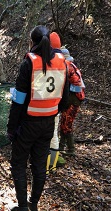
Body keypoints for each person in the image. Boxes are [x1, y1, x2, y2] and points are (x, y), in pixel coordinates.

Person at [7, 25, 69, 211]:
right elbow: (64, 100)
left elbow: (18, 102)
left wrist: (11, 127)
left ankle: (23, 209)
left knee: (18, 164)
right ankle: (33, 206)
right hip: (47, 123)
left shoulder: (29, 63)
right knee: (39, 165)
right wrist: (50, 112)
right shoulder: (62, 62)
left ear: (31, 42)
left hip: (27, 123)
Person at [59, 47, 85, 156]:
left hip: (73, 100)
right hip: (72, 99)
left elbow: (77, 82)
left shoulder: (68, 66)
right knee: (64, 123)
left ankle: (71, 149)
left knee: (66, 124)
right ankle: (61, 147)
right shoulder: (72, 65)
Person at [47, 32, 67, 171]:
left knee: (49, 135)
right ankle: (51, 166)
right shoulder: (63, 63)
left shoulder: (47, 61)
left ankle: (47, 165)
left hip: (46, 106)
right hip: (55, 105)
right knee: (54, 134)